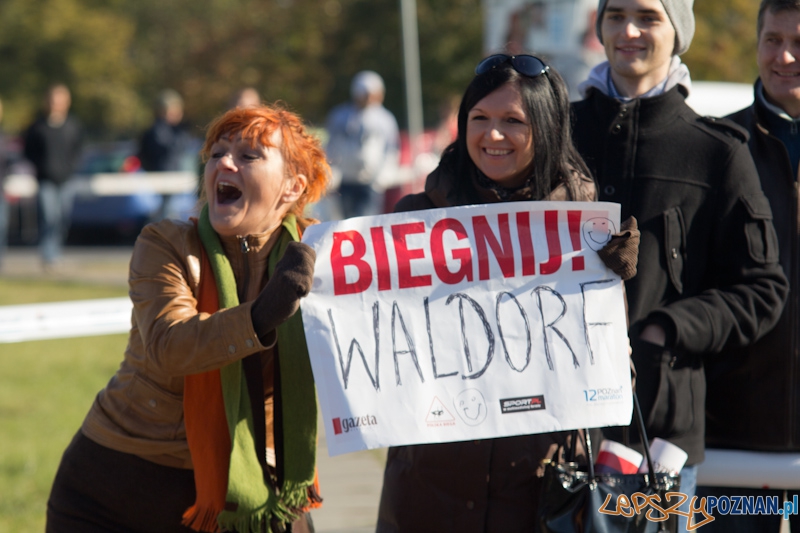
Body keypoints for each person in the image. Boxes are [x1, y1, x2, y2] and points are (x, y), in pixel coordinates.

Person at [376, 54, 640, 533]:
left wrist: (612, 291)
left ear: (547, 128)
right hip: (429, 494)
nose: (492, 136)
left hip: (539, 495)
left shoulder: (586, 231)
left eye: (512, 121)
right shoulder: (411, 220)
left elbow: (616, 382)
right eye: (480, 119)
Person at [46, 104, 329, 533]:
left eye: (249, 156)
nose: (224, 163)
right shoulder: (165, 243)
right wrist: (261, 315)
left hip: (250, 481)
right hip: (115, 486)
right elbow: (169, 346)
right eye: (216, 154)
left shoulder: (324, 260)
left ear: (293, 187)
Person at [570, 0, 789, 529]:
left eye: (648, 16)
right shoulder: (557, 134)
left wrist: (665, 331)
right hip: (557, 439)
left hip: (658, 444)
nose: (628, 30)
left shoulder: (718, 152)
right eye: (616, 13)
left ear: (678, 31)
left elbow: (762, 291)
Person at [700, 1, 800, 530]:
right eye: (772, 39)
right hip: (730, 442)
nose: (783, 56)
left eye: (799, 42)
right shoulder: (716, 148)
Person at [324, 70, 399, 219]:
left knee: (366, 222)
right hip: (345, 181)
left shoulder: (385, 119)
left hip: (370, 183)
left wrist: (383, 176)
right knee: (344, 221)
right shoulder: (340, 116)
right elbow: (331, 145)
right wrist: (331, 171)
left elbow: (391, 149)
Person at [23, 84, 83, 269]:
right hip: (45, 179)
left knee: (62, 218)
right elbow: (28, 151)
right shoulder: (37, 126)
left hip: (66, 180)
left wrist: (71, 168)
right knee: (48, 217)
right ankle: (48, 255)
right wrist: (41, 167)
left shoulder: (73, 125)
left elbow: (79, 150)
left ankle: (56, 252)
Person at [138, 89, 195, 172]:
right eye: (174, 110)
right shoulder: (158, 131)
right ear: (163, 111)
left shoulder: (178, 130)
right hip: (164, 179)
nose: (178, 114)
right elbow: (170, 152)